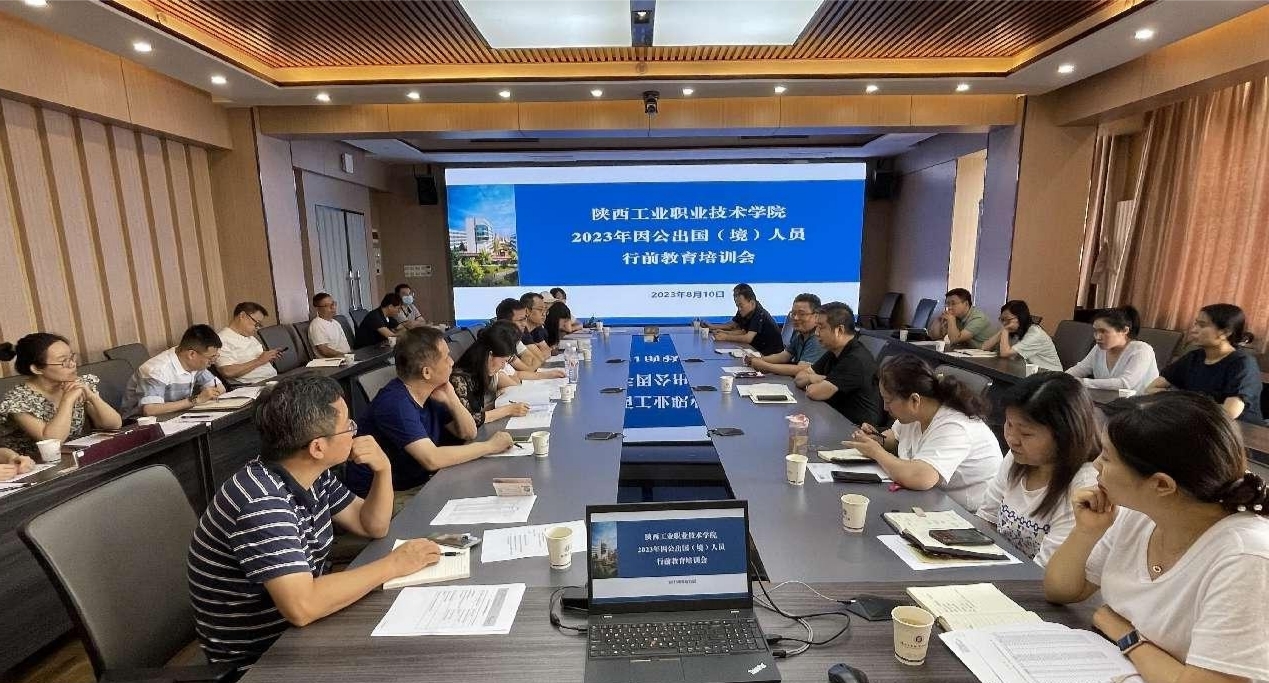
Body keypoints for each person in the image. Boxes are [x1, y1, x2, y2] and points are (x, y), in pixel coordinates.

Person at [187, 374, 439, 670]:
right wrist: (394, 565)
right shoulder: (261, 502)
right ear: (317, 447)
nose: (355, 431)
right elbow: (302, 606)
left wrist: (383, 470)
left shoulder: (310, 474)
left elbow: (372, 524)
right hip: (262, 662)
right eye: (348, 426)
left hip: (306, 634)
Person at [1044, 392, 1269, 681]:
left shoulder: (1245, 557)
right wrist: (1086, 531)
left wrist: (1126, 634)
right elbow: (1060, 590)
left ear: (1161, 484)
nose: (1096, 464)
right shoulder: (1142, 513)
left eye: (1107, 457)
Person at [344, 327, 514, 498]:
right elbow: (432, 459)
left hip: (417, 481)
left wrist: (452, 398)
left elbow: (469, 432)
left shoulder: (432, 392)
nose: (452, 362)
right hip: (384, 495)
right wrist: (490, 446)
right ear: (427, 372)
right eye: (446, 358)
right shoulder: (395, 404)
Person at [843, 354, 1001, 512]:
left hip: (967, 513)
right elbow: (895, 439)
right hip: (934, 500)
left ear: (914, 400)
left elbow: (920, 477)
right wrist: (878, 440)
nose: (885, 407)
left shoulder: (955, 426)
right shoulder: (915, 414)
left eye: (889, 400)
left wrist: (877, 452)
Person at [977, 373, 1100, 564]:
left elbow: (1046, 568)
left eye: (1026, 433)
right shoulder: (1018, 457)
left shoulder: (1084, 486)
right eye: (1009, 424)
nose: (1012, 439)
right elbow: (986, 519)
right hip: (1000, 567)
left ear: (1064, 435)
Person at [0, 333, 123, 459]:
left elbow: (113, 425)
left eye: (72, 357)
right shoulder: (18, 401)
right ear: (36, 369)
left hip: (72, 456)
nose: (72, 364)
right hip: (30, 464)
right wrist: (67, 400)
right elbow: (52, 441)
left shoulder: (76, 384)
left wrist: (92, 397)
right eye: (63, 361)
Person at [1146, 303, 1263, 424]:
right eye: (1196, 324)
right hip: (1197, 423)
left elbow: (1230, 412)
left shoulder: (1242, 363)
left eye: (1202, 325)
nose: (1193, 330)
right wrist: (1184, 401)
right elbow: (1151, 389)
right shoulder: (1193, 357)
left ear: (1225, 332)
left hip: (1238, 430)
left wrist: (1184, 402)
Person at [794, 302, 881, 427]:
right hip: (835, 419)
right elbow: (799, 378)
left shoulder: (855, 359)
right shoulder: (834, 351)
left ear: (839, 330)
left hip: (857, 429)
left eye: (821, 327)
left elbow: (813, 392)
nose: (816, 333)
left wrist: (814, 380)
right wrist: (816, 378)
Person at [120, 325, 224, 418]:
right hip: (136, 424)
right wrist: (196, 400)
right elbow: (150, 410)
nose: (213, 361)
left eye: (216, 356)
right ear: (191, 354)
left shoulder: (193, 363)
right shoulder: (157, 369)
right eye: (211, 357)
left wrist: (209, 394)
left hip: (175, 417)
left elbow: (220, 388)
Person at [1066, 305, 1159, 394]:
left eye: (1103, 331)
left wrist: (1081, 382)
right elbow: (1080, 369)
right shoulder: (1099, 349)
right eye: (1095, 331)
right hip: (1106, 401)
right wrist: (1060, 378)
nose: (1097, 337)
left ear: (1124, 330)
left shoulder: (1142, 350)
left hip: (1139, 403)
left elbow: (1125, 384)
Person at [450, 325, 531, 428]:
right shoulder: (458, 378)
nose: (503, 366)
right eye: (503, 361)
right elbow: (470, 420)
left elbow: (477, 411)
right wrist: (508, 410)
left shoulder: (480, 372)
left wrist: (496, 402)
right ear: (490, 355)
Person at [745, 293, 825, 377]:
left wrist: (766, 366)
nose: (796, 318)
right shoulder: (799, 333)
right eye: (793, 313)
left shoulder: (818, 338)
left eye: (802, 314)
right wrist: (756, 360)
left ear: (816, 316)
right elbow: (784, 356)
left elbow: (802, 369)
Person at [982, 300, 1062, 371]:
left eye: (1008, 320)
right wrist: (1003, 330)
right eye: (1002, 319)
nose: (1004, 323)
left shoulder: (1035, 334)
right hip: (1029, 373)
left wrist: (1005, 330)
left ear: (1020, 318)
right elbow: (985, 347)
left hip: (1050, 376)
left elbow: (1005, 353)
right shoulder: (1013, 330)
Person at [214, 302, 281, 385]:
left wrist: (269, 357)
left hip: (273, 379)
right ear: (242, 316)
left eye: (259, 324)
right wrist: (260, 360)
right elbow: (227, 371)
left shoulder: (250, 337)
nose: (258, 327)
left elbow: (259, 360)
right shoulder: (222, 339)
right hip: (255, 385)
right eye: (256, 323)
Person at [709, 284, 785, 356]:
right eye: (737, 306)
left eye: (741, 306)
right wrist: (722, 331)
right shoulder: (745, 310)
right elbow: (742, 331)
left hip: (771, 356)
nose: (739, 309)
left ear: (752, 303)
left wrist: (725, 337)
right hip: (756, 351)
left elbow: (748, 338)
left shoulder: (759, 313)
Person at [930, 288, 995, 349]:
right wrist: (939, 319)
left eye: (953, 303)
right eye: (948, 304)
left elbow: (955, 339)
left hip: (986, 354)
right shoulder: (956, 316)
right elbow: (935, 337)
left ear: (966, 304)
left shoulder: (978, 318)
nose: (949, 307)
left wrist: (951, 320)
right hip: (967, 352)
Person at [308, 292, 351, 358]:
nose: (333, 307)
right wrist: (345, 356)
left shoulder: (335, 322)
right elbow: (325, 351)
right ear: (317, 309)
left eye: (333, 304)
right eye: (327, 305)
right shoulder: (316, 325)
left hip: (345, 358)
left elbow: (344, 347)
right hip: (332, 361)